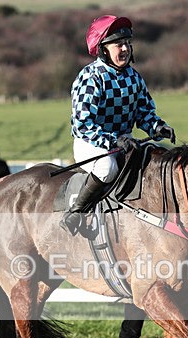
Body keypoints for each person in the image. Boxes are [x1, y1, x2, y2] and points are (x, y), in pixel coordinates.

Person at [62, 14, 175, 235]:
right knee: (107, 168)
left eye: (127, 43)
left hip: (124, 143)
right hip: (91, 144)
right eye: (118, 44)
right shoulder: (91, 78)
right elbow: (83, 124)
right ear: (103, 50)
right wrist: (113, 141)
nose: (125, 49)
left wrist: (157, 127)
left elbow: (143, 112)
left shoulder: (134, 77)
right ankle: (76, 212)